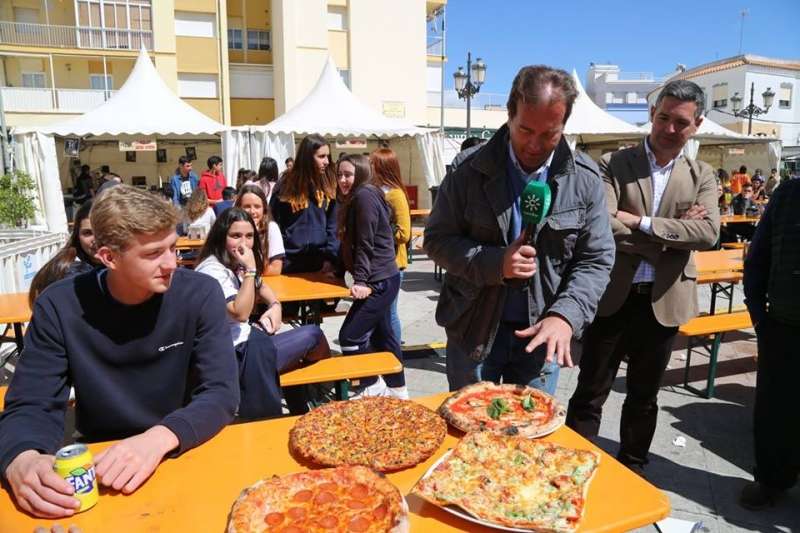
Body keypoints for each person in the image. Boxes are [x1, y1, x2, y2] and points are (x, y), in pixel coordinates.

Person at [0, 185, 239, 518]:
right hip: (102, 460)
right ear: (109, 257)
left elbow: (221, 393)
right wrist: (22, 457)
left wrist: (158, 439)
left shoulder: (199, 293)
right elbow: (31, 401)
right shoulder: (59, 305)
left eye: (173, 247)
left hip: (184, 444)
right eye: (154, 253)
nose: (172, 263)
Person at [424, 65, 615, 394]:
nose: (535, 145)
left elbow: (596, 259)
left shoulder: (585, 178)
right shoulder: (467, 169)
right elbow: (437, 240)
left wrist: (565, 316)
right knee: (469, 422)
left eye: (549, 134)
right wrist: (497, 263)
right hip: (473, 329)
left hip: (542, 334)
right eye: (525, 130)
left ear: (564, 126)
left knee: (532, 424)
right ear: (509, 115)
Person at [566, 79, 720, 477]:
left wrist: (639, 222)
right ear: (652, 114)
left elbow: (707, 234)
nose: (669, 128)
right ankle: (571, 469)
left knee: (644, 396)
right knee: (590, 391)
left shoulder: (702, 175)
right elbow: (601, 223)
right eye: (663, 117)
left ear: (697, 125)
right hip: (613, 296)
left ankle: (633, 469)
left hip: (663, 300)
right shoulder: (614, 164)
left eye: (681, 122)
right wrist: (672, 236)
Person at [195, 208, 329, 417]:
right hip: (233, 356)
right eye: (236, 236)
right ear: (221, 237)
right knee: (313, 334)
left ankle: (301, 411)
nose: (244, 243)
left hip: (246, 344)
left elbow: (262, 287)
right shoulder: (212, 270)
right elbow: (239, 312)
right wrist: (250, 270)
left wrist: (275, 305)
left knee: (294, 360)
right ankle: (321, 390)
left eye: (249, 236)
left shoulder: (233, 261)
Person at [740, 178, 800, 510]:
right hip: (782, 326)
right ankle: (771, 480)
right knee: (775, 412)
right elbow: (758, 258)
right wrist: (759, 317)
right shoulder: (788, 194)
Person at [336, 155, 405, 398]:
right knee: (385, 338)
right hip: (384, 277)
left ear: (362, 173)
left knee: (349, 337)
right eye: (339, 175)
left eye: (348, 174)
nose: (343, 180)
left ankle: (371, 383)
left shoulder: (364, 196)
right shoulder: (363, 195)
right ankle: (398, 390)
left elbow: (366, 242)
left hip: (379, 281)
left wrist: (361, 281)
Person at [270, 134, 339, 274]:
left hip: (320, 262)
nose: (326, 161)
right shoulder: (286, 184)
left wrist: (330, 258)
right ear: (307, 157)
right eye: (321, 156)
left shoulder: (329, 184)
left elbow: (333, 226)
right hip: (289, 262)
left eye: (328, 156)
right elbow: (273, 222)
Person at [369, 148, 411, 345]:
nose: (370, 167)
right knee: (381, 312)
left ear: (383, 167)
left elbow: (404, 233)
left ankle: (394, 348)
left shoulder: (396, 195)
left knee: (390, 312)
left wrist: (378, 232)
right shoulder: (375, 190)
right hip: (378, 263)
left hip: (393, 264)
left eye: (373, 164)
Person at [28, 201, 101, 307]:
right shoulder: (74, 273)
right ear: (77, 236)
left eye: (101, 231)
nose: (95, 239)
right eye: (87, 233)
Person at [235, 184, 285, 275]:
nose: (252, 211)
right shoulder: (231, 229)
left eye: (257, 206)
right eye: (247, 206)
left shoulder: (271, 228)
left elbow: (276, 268)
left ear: (264, 209)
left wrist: (249, 272)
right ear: (238, 208)